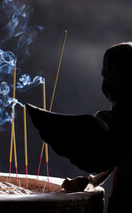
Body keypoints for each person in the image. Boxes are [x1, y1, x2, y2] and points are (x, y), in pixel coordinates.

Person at [27, 42, 132, 213]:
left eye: (106, 77)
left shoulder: (118, 123)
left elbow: (112, 148)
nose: (103, 85)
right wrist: (91, 181)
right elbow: (117, 152)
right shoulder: (120, 122)